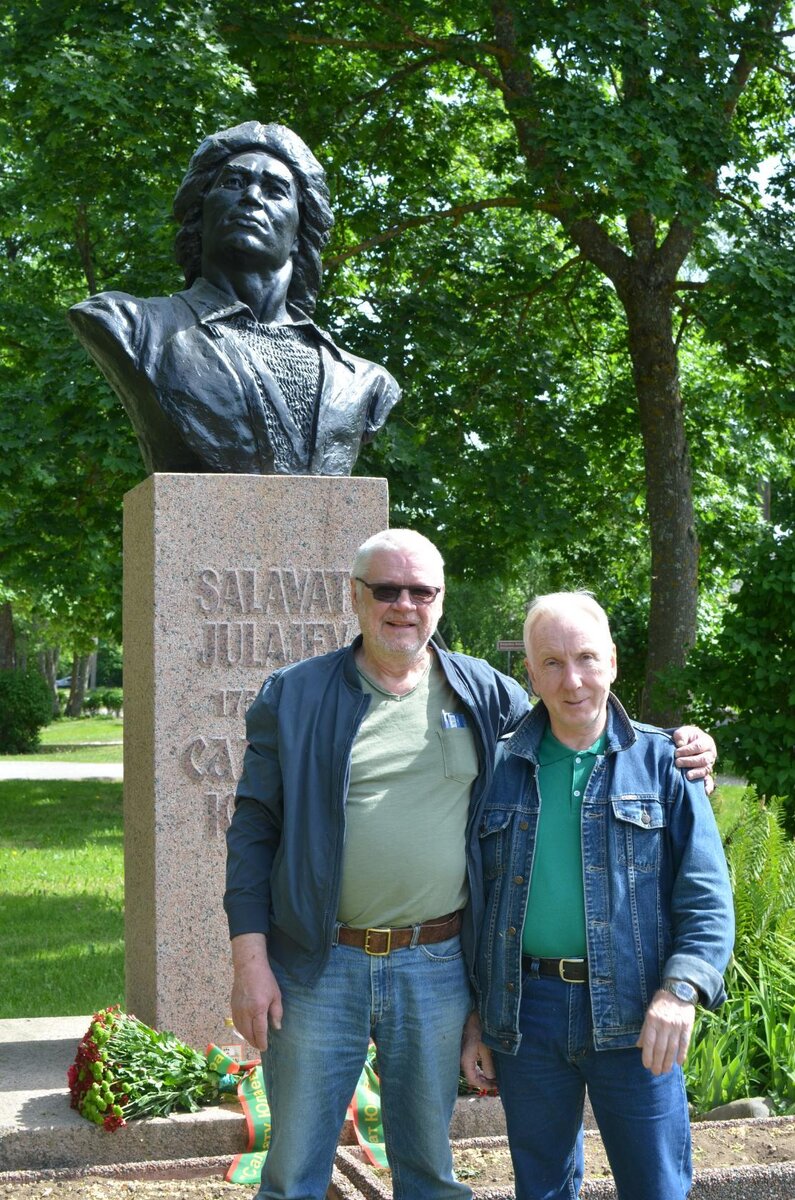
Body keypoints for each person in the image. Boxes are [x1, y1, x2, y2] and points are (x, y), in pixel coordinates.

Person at [224, 533, 717, 1200]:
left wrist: (688, 746)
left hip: (435, 965)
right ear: (355, 596)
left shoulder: (480, 692)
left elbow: (584, 718)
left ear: (440, 599)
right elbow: (253, 831)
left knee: (429, 1173)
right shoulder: (294, 695)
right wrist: (249, 961)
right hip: (319, 964)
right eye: (386, 590)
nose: (404, 605)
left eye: (420, 590)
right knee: (292, 1177)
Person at [462, 591, 734, 1200]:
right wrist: (476, 1016)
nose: (573, 680)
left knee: (656, 1187)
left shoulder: (666, 763)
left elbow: (707, 897)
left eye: (586, 658)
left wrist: (682, 990)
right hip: (527, 1012)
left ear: (611, 660)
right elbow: (474, 903)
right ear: (530, 674)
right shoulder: (497, 767)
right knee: (542, 1188)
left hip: (639, 1014)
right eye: (552, 663)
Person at [68, 121, 400, 475]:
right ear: (200, 215)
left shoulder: (363, 380)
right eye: (234, 183)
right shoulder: (131, 326)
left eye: (276, 190)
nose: (252, 196)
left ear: (300, 233)